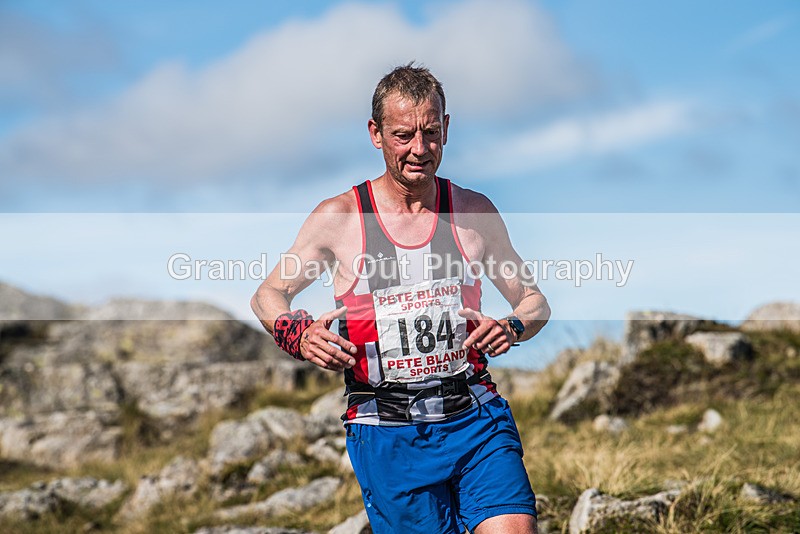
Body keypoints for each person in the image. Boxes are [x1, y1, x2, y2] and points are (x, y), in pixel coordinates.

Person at [251, 64, 550, 534]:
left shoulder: (474, 212)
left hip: (474, 416)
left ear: (446, 128)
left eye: (430, 133)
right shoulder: (340, 217)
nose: (419, 149)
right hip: (386, 430)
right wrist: (298, 335)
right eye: (403, 135)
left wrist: (512, 327)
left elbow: (534, 302)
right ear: (376, 134)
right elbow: (269, 294)